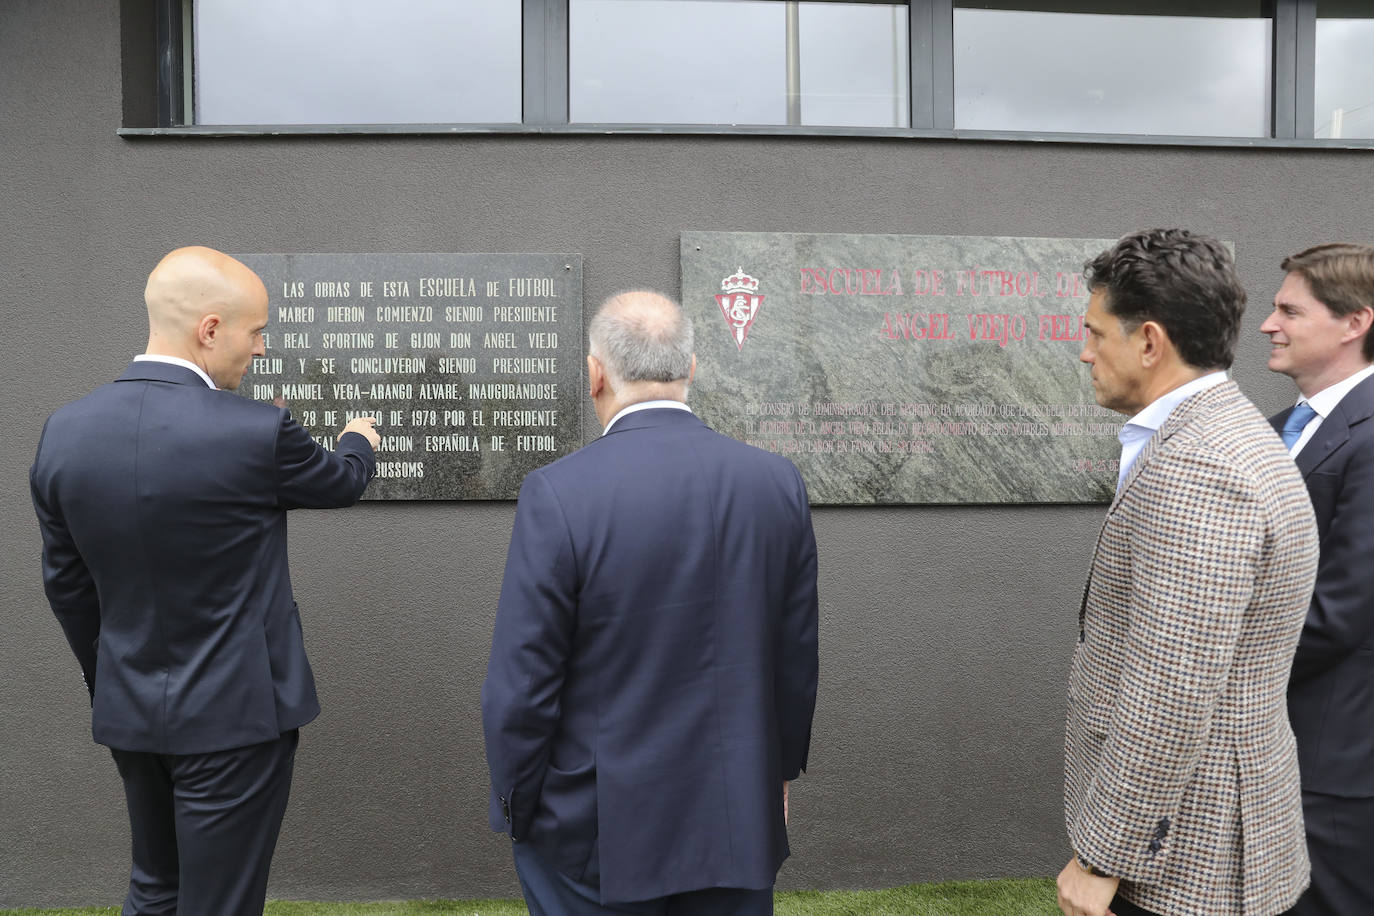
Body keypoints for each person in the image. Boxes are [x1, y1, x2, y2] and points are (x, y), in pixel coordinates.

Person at [30, 246, 380, 915]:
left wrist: (113, 678)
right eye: (256, 332)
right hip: (236, 718)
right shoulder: (257, 430)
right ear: (210, 329)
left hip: (130, 709)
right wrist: (357, 438)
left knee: (155, 889)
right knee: (219, 903)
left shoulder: (63, 433)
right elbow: (340, 482)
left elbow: (67, 588)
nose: (262, 349)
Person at [481, 290, 818, 915]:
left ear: (594, 375)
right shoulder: (776, 483)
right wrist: (777, 775)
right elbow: (794, 659)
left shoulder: (559, 493)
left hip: (597, 828)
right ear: (691, 369)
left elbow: (523, 684)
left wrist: (518, 805)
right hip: (735, 813)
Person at [1058, 229, 1319, 916]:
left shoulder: (1202, 469)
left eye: (1094, 331)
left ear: (1148, 342)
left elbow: (1170, 692)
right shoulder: (1218, 435)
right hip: (1198, 841)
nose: (1084, 350)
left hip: (1185, 865)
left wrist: (1101, 857)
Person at [1261, 243, 1374, 916]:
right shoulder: (1278, 430)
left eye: (1289, 311)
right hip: (1280, 746)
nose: (1271, 324)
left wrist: (1217, 673)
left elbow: (1342, 608)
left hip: (1337, 761)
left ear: (1354, 322)